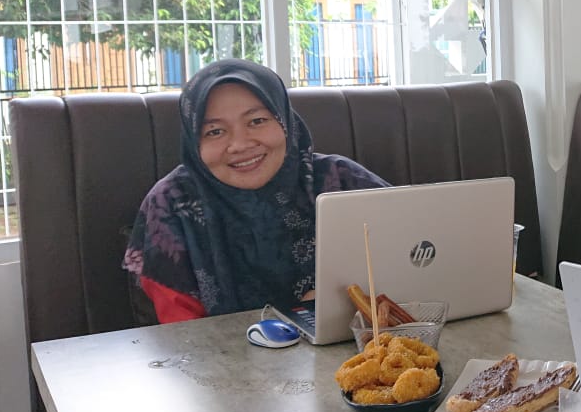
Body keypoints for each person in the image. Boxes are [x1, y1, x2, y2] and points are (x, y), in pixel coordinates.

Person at [123, 59, 388, 323]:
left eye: (257, 121)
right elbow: (182, 334)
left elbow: (404, 255)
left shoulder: (340, 180)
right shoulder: (170, 205)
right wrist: (298, 316)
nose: (240, 144)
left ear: (284, 121)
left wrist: (336, 301)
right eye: (215, 131)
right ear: (194, 141)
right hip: (219, 350)